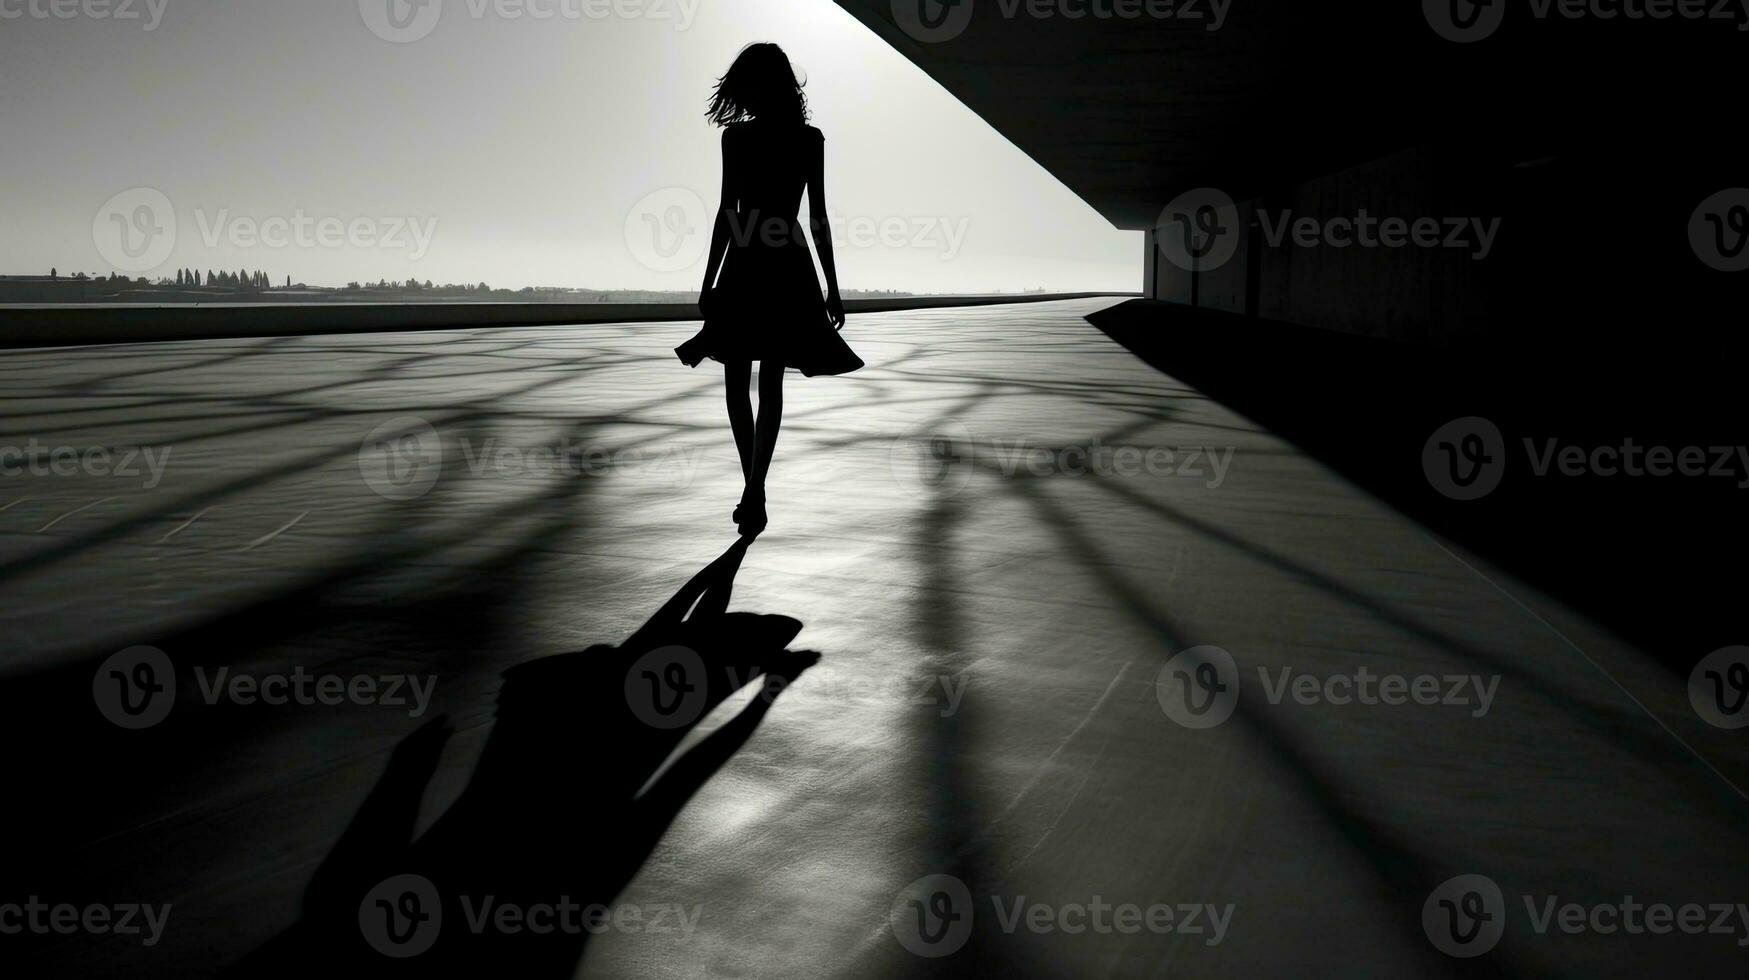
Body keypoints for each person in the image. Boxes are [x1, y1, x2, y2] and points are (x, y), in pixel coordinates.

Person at [676, 42, 864, 536]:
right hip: (783, 262)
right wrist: (831, 286)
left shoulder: (740, 140)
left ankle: (753, 488)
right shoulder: (806, 138)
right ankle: (753, 487)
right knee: (765, 381)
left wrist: (710, 278)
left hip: (749, 260)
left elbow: (730, 213)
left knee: (741, 382)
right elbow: (816, 219)